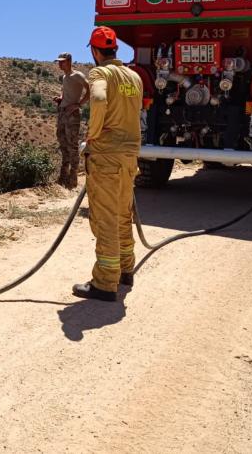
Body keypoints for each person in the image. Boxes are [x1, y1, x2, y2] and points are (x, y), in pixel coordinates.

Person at [72, 26, 143, 302]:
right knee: (124, 214)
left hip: (107, 156)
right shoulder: (134, 77)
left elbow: (99, 98)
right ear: (115, 49)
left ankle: (104, 281)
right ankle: (126, 269)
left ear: (94, 50)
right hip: (129, 157)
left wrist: (92, 134)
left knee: (105, 218)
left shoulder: (100, 73)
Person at [53, 52, 89, 188]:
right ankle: (63, 176)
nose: (59, 64)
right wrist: (61, 98)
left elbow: (90, 89)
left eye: (62, 61)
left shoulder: (77, 75)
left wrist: (78, 104)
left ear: (69, 61)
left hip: (72, 114)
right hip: (62, 112)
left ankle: (73, 179)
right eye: (59, 61)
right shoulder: (65, 77)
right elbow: (66, 91)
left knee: (72, 144)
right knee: (62, 142)